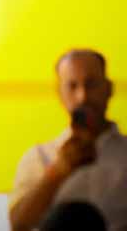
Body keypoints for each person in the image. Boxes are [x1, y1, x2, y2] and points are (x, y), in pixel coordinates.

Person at [9, 49, 127, 231]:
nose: (83, 97)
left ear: (109, 88)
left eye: (91, 84)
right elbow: (19, 224)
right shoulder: (38, 156)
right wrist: (58, 171)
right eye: (72, 86)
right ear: (60, 94)